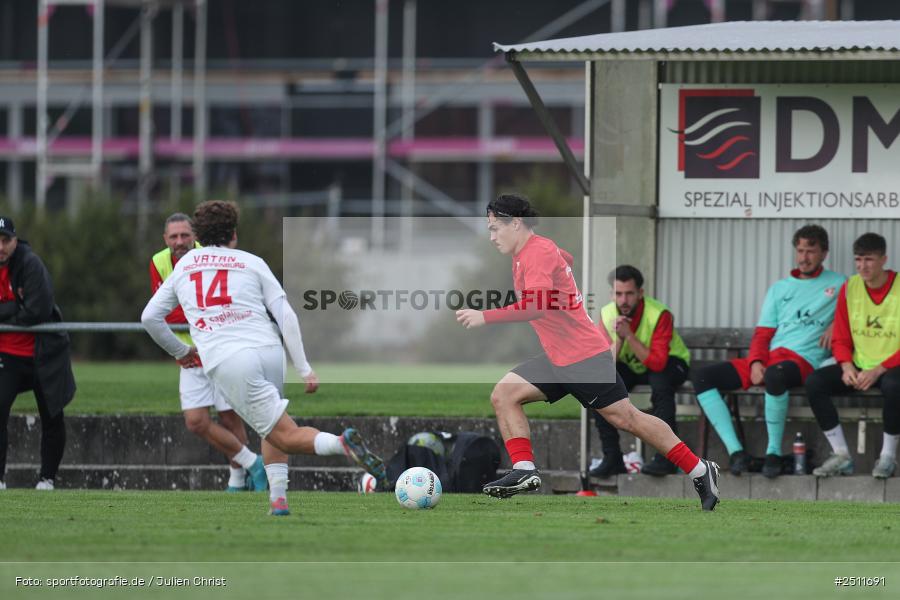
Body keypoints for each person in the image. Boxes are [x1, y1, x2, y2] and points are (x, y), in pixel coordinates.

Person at [455, 194, 719, 510]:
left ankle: (701, 470)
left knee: (628, 418)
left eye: (496, 228)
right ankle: (524, 470)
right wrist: (562, 273)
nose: (492, 236)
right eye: (490, 228)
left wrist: (486, 315)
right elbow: (566, 259)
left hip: (584, 358)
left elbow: (537, 306)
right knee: (504, 395)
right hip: (558, 357)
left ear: (516, 223)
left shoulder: (536, 253)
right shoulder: (534, 251)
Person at [142, 200, 385, 515]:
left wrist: (182, 351)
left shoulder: (185, 266)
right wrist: (304, 368)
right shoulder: (252, 262)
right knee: (270, 427)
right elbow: (286, 315)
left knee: (283, 434)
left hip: (229, 359)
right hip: (270, 350)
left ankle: (341, 443)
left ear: (198, 235)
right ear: (234, 233)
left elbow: (150, 318)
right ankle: (278, 501)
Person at [691, 225, 844, 478]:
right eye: (800, 251)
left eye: (811, 251)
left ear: (824, 253)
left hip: (803, 360)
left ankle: (773, 452)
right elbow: (763, 333)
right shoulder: (779, 288)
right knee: (703, 377)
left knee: (775, 375)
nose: (804, 257)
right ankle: (737, 453)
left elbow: (858, 310)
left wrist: (837, 324)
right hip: (771, 357)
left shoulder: (840, 284)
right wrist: (755, 362)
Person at [150, 213, 267, 492]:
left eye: (185, 235)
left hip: (220, 349)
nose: (180, 241)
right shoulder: (158, 261)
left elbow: (213, 304)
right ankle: (254, 463)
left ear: (196, 236)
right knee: (196, 421)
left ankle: (237, 481)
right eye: (174, 236)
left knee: (230, 417)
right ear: (165, 239)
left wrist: (186, 308)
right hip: (188, 355)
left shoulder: (210, 256)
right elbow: (163, 311)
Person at [806, 233, 900, 478]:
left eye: (869, 260)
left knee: (894, 385)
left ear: (884, 259)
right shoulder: (851, 287)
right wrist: (847, 366)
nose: (862, 266)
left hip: (891, 367)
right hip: (859, 366)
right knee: (815, 382)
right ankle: (841, 456)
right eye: (858, 260)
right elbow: (841, 336)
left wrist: (879, 369)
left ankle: (888, 457)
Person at [590, 265, 690, 477]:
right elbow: (603, 364)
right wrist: (619, 337)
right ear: (611, 294)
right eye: (618, 294)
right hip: (635, 364)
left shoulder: (659, 314)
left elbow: (657, 363)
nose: (624, 300)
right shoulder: (607, 314)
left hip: (671, 363)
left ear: (640, 293)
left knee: (661, 384)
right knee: (598, 386)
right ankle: (613, 458)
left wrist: (630, 335)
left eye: (629, 294)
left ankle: (668, 457)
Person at [0, 217, 76, 490]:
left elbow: (38, 310)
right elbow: (25, 310)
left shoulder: (30, 264)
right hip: (7, 354)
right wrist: (15, 310)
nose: (0, 247)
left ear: (15, 240)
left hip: (44, 354)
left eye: (5, 240)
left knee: (52, 415)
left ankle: (47, 479)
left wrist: (7, 312)